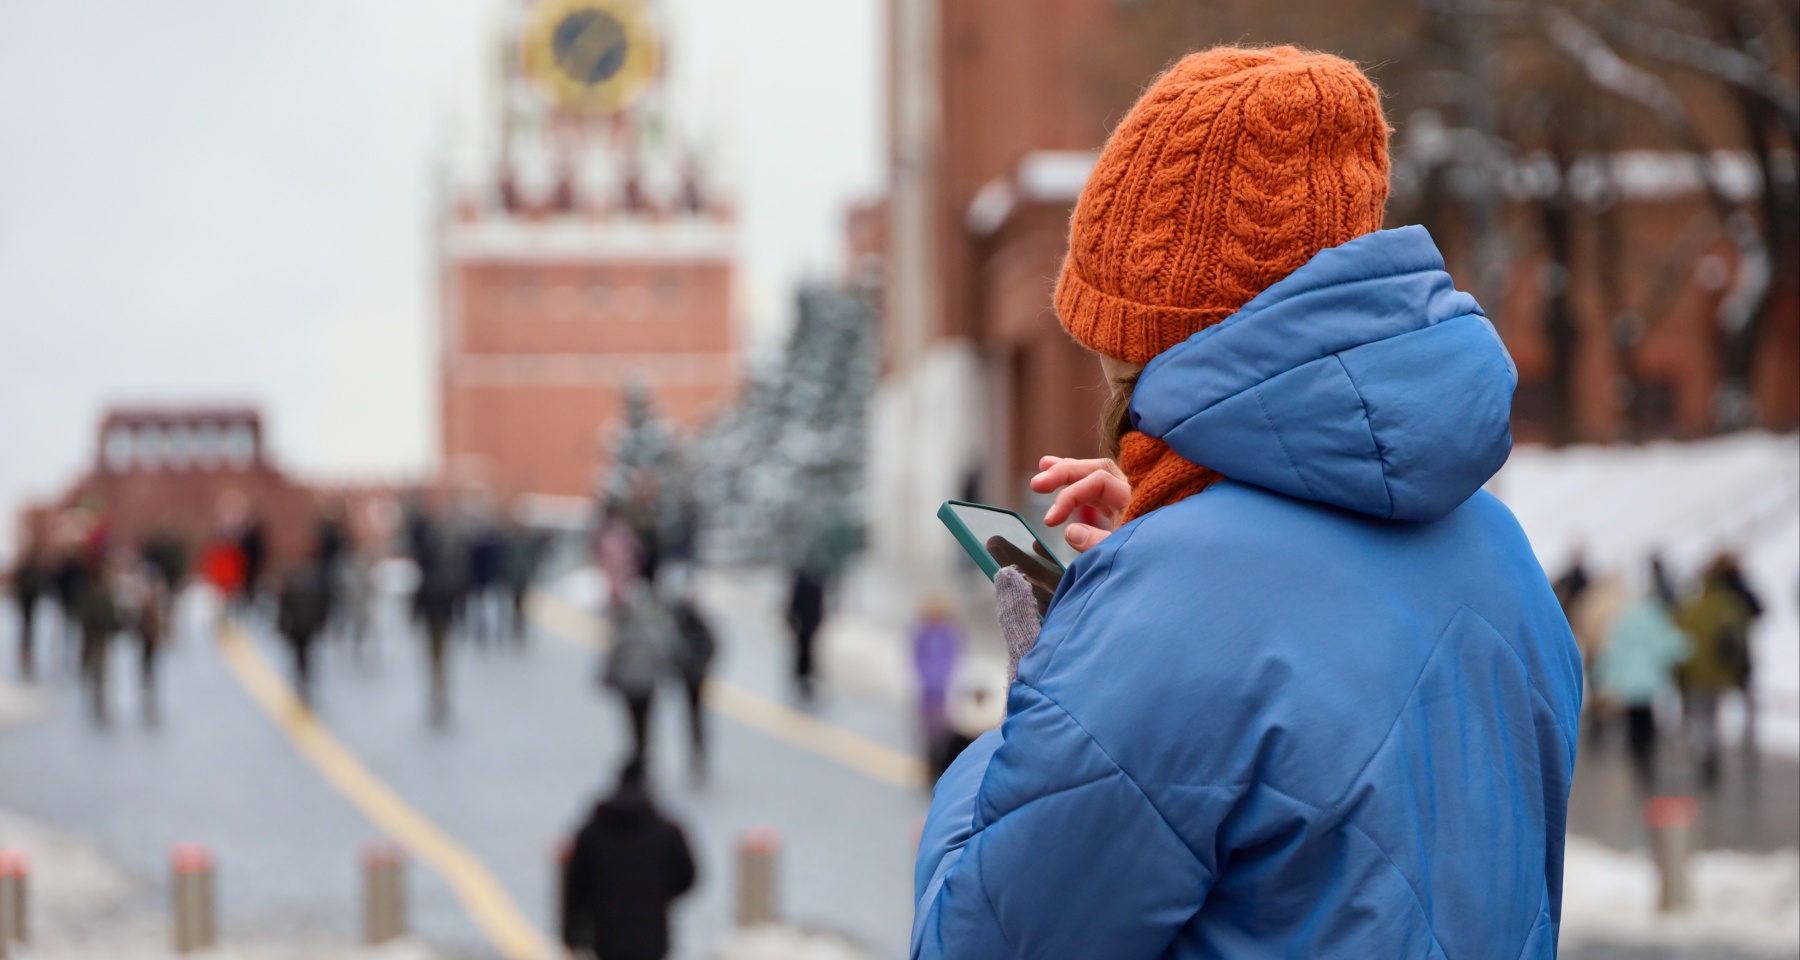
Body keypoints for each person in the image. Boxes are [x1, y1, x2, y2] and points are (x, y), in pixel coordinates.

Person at [913, 47, 1582, 958]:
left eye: (1109, 334)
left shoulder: (1166, 608)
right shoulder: (1501, 553)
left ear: (1160, 329)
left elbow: (979, 939)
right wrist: (1172, 537)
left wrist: (1058, 678)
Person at [560, 762, 696, 960]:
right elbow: (687, 877)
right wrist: (659, 895)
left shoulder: (591, 833)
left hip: (606, 938)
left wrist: (572, 935)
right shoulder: (666, 832)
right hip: (652, 937)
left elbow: (576, 887)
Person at [1675, 554, 1756, 786]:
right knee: (1714, 714)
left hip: (1695, 674)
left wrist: (1680, 673)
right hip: (1721, 674)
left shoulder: (1691, 608)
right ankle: (1716, 750)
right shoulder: (1731, 606)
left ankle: (1707, 752)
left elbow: (1680, 641)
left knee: (1703, 717)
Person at [1596, 590, 1690, 789]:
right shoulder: (1656, 620)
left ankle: (1637, 757)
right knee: (1647, 722)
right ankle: (1647, 755)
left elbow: (1614, 652)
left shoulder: (1624, 621)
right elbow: (1668, 645)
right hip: (1648, 682)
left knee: (1634, 722)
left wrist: (1606, 678)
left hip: (1629, 683)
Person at [603, 581, 674, 772]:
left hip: (634, 685)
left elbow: (613, 655)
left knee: (636, 722)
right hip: (642, 684)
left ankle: (640, 753)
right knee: (643, 723)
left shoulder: (626, 628)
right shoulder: (653, 627)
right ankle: (642, 753)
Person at [666, 581, 717, 782]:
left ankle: (697, 756)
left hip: (694, 677)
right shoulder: (686, 622)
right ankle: (697, 756)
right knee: (695, 718)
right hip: (693, 676)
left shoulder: (689, 624)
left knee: (694, 717)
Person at [911, 595, 962, 779]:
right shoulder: (923, 632)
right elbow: (916, 657)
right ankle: (928, 764)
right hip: (926, 688)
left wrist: (945, 679)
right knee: (926, 730)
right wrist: (925, 677)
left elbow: (953, 658)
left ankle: (939, 765)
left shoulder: (948, 633)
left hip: (944, 689)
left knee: (943, 730)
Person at [277, 561, 331, 703]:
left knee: (302, 654)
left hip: (301, 627)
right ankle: (303, 675)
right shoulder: (308, 587)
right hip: (302, 627)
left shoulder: (306, 588)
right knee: (303, 654)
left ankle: (303, 675)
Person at [786, 564, 826, 699]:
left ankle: (804, 675)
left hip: (807, 622)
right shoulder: (812, 581)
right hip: (806, 621)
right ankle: (803, 675)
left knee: (805, 649)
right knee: (804, 649)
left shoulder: (808, 581)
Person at [8, 546, 47, 681]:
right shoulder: (26, 570)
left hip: (30, 601)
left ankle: (27, 647)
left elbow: (38, 585)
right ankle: (25, 648)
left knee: (29, 624)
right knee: (26, 624)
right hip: (26, 601)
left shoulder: (33, 570)